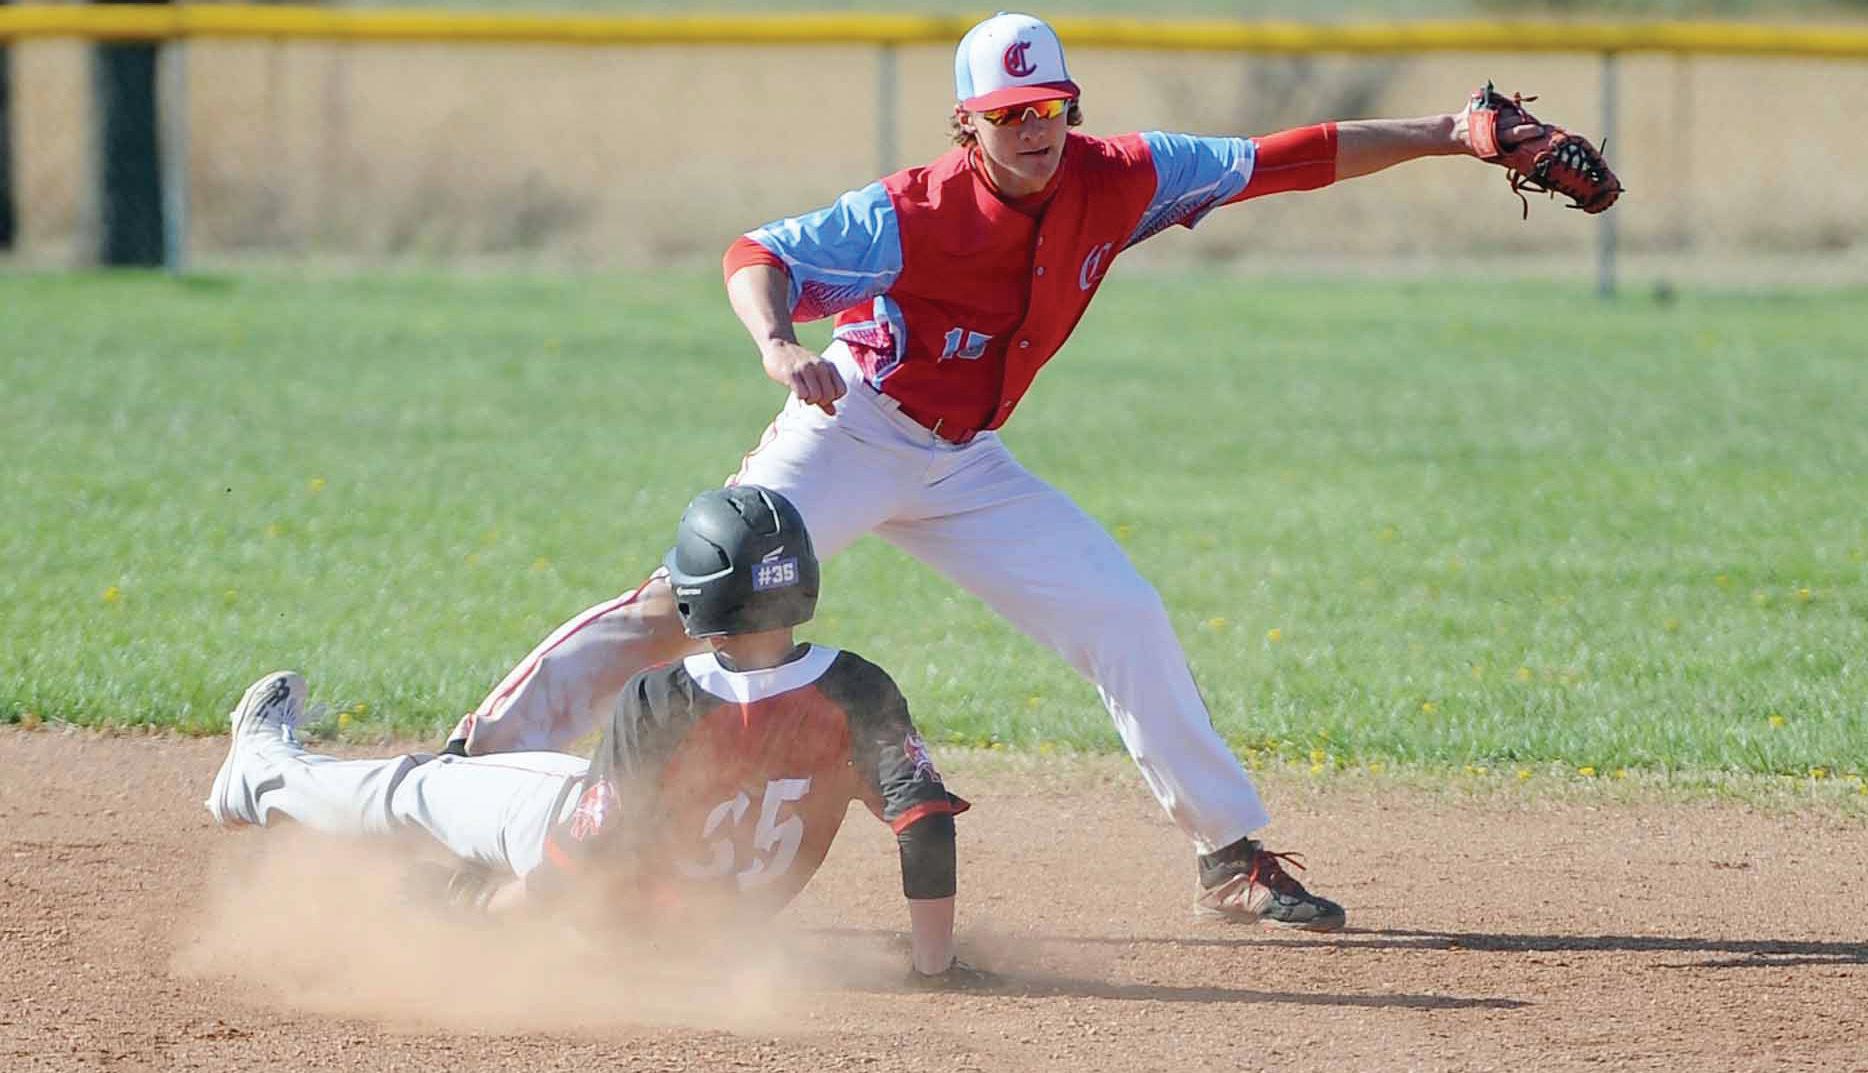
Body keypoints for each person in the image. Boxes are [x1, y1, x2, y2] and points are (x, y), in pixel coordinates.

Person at [444, 12, 1614, 932]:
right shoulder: (908, 211)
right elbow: (758, 253)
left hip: (966, 463)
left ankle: (1227, 856)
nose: (1032, 129)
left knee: (1121, 611)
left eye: (1047, 106)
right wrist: (773, 342)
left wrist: (1448, 131)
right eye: (1007, 115)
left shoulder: (1124, 174)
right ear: (969, 126)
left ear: (1070, 107)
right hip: (851, 427)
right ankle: (465, 780)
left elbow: (1284, 159)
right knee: (680, 608)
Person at [206, 486, 981, 986]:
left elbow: (588, 851)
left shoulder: (666, 697)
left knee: (418, 789)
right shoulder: (858, 689)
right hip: (702, 944)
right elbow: (924, 822)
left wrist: (485, 912)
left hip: (580, 887)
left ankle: (260, 774)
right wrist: (933, 966)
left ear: (697, 596)